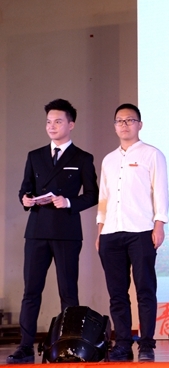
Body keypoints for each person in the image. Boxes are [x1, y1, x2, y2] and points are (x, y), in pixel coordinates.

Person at [9, 99, 98, 364]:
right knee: (31, 291)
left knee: (68, 292)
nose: (52, 126)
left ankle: (69, 345)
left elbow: (92, 194)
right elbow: (25, 188)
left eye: (58, 121)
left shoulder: (82, 158)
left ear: (71, 124)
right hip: (36, 231)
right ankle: (25, 346)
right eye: (49, 121)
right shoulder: (35, 156)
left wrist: (68, 202)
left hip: (66, 231)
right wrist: (25, 199)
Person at [97, 103, 169, 362]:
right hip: (111, 233)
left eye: (130, 120)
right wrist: (100, 230)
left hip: (141, 231)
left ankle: (147, 344)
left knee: (145, 290)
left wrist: (159, 224)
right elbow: (103, 197)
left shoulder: (152, 154)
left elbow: (160, 191)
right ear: (115, 126)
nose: (124, 125)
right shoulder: (108, 159)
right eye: (120, 121)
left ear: (140, 124)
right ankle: (123, 344)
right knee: (117, 294)